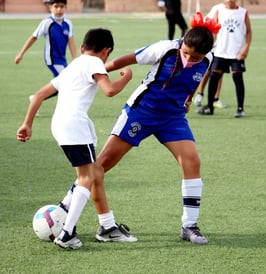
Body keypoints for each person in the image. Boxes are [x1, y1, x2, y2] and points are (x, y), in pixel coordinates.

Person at [59, 12, 220, 245]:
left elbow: (194, 80)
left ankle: (189, 226)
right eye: (185, 52)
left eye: (194, 57)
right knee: (100, 166)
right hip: (141, 112)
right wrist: (97, 73)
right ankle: (65, 205)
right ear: (182, 41)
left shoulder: (208, 59)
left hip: (172, 118)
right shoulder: (164, 49)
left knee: (192, 161)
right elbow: (127, 60)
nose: (188, 58)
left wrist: (187, 100)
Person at [16, 28, 133, 250]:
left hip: (59, 125)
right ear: (106, 51)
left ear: (81, 47)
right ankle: (67, 233)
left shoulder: (74, 65)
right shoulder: (95, 62)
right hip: (74, 125)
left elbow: (40, 95)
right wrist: (126, 78)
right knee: (87, 177)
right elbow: (109, 90)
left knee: (94, 172)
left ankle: (99, 223)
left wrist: (27, 124)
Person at [15, 0, 77, 112]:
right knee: (67, 82)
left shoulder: (68, 23)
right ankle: (64, 108)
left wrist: (75, 59)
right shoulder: (47, 23)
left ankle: (36, 98)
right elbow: (33, 37)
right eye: (56, 6)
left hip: (62, 60)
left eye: (62, 6)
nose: (59, 9)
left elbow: (71, 41)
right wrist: (21, 54)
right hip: (52, 59)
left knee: (59, 85)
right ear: (50, 8)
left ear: (65, 7)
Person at [197, 0, 252, 118]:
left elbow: (248, 32)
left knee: (237, 78)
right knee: (214, 77)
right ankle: (210, 107)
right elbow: (212, 29)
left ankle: (240, 109)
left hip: (236, 53)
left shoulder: (243, 12)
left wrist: (246, 48)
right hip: (220, 51)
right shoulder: (218, 10)